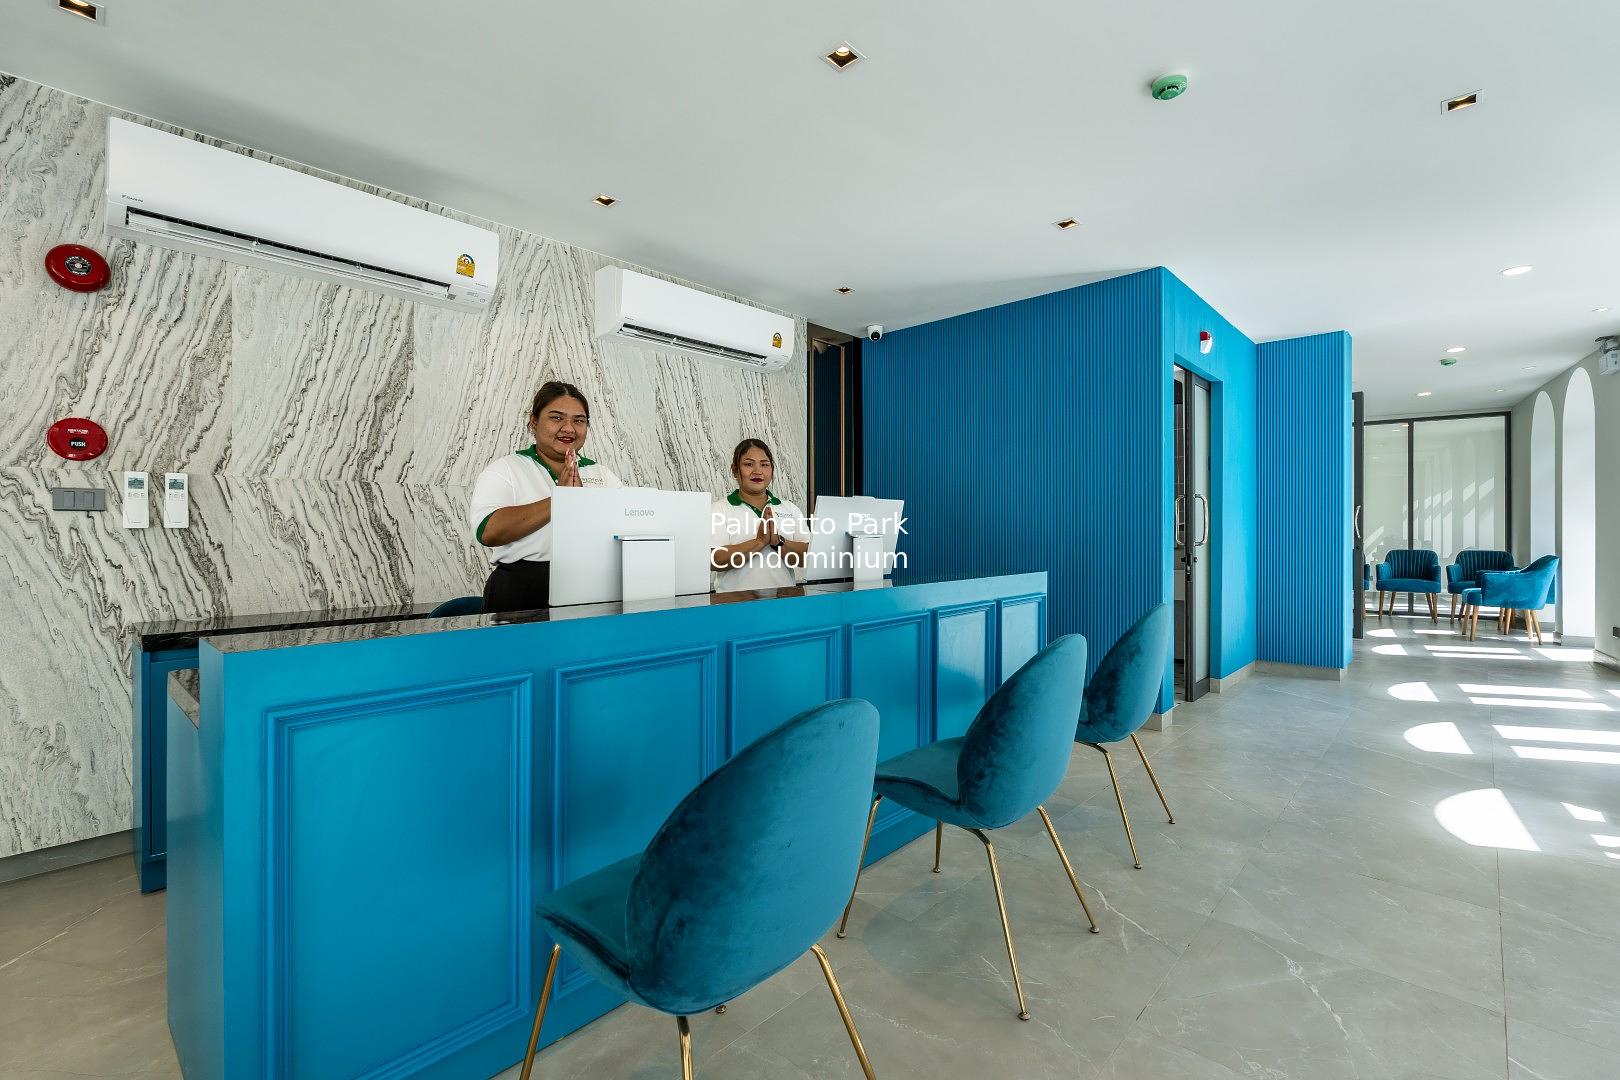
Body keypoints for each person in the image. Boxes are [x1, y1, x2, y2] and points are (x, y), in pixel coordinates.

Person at [470, 380, 622, 613]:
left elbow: (627, 528)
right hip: (521, 592)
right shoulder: (506, 469)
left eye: (579, 420)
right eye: (557, 417)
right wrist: (560, 500)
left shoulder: (601, 474)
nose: (569, 428)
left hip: (590, 589)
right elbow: (488, 531)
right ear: (534, 422)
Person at [710, 438, 809, 592]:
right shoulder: (719, 509)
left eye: (764, 464)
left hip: (784, 601)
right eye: (749, 464)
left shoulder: (790, 508)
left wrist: (779, 543)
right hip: (734, 602)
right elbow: (714, 560)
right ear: (735, 470)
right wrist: (759, 542)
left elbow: (808, 558)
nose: (758, 471)